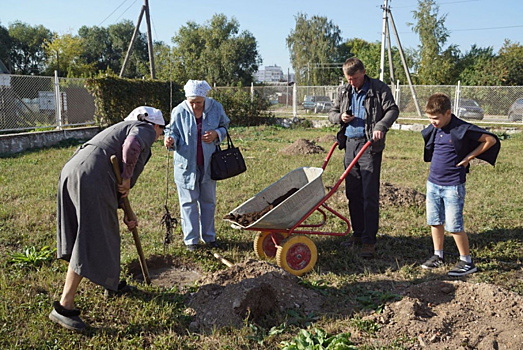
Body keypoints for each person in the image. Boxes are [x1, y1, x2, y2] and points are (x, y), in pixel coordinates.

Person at [49, 106, 166, 331]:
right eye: (161, 129)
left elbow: (117, 180)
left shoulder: (120, 129)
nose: (159, 135)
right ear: (155, 125)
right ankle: (64, 306)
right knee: (91, 237)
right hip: (92, 178)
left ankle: (110, 283)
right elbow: (131, 148)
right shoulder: (144, 128)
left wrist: (125, 210)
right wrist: (128, 178)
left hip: (74, 171)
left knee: (103, 232)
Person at [420, 93, 500, 276]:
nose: (432, 122)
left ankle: (466, 261)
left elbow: (491, 140)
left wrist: (469, 157)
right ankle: (438, 255)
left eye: (436, 118)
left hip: (452, 186)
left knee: (455, 226)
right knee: (435, 221)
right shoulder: (436, 129)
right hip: (433, 183)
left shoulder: (461, 128)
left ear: (448, 113)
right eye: (430, 118)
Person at [328, 57, 399, 258]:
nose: (352, 83)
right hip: (349, 145)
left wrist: (380, 126)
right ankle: (357, 234)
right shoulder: (344, 91)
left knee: (369, 194)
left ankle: (369, 240)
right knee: (353, 192)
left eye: (355, 79)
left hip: (369, 146)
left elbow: (393, 109)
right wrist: (340, 117)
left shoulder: (378, 88)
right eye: (349, 79)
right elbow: (331, 113)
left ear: (363, 72)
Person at [164, 80, 230, 251]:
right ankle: (191, 241)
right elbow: (171, 132)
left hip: (209, 164)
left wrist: (217, 133)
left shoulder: (216, 108)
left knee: (208, 201)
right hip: (186, 166)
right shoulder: (178, 110)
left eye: (198, 103)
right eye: (191, 102)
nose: (194, 106)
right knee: (188, 202)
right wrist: (170, 140)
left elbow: (225, 126)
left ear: (205, 98)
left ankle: (209, 237)